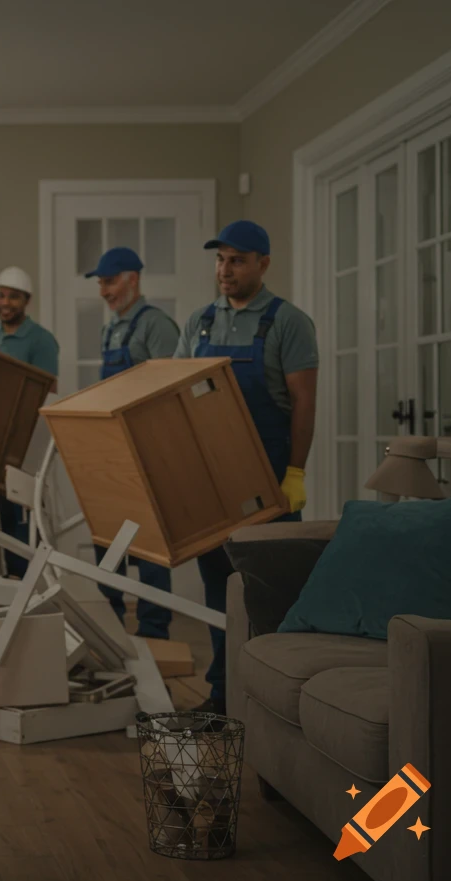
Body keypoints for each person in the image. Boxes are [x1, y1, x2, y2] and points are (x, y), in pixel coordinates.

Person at [175, 220, 318, 713]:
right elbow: (174, 396)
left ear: (264, 264)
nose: (225, 269)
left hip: (268, 473)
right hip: (210, 476)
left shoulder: (288, 322)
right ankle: (223, 694)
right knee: (219, 587)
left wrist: (295, 472)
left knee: (270, 589)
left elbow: (303, 403)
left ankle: (274, 701)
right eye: (220, 259)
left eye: (237, 260)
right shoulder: (198, 323)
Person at [85, 247, 180, 640]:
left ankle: (154, 633)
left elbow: (172, 393)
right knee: (108, 543)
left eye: (109, 282)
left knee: (150, 550)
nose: (104, 291)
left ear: (133, 279)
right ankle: (110, 631)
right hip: (113, 453)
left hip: (149, 453)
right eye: (101, 284)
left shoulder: (156, 326)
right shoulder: (112, 328)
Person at [0, 267, 60, 577]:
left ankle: (28, 583)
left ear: (26, 301)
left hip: (25, 444)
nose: (5, 302)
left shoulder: (41, 341)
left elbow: (48, 393)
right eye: (1, 295)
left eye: (13, 296)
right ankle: (5, 584)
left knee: (23, 516)